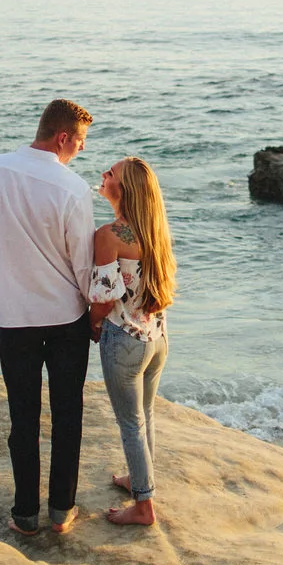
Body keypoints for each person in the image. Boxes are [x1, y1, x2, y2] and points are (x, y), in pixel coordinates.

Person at [0, 98, 94, 536]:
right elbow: (83, 266)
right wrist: (92, 314)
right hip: (65, 320)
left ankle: (24, 513)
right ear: (63, 138)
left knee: (22, 416)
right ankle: (61, 510)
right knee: (67, 413)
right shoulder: (72, 188)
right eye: (79, 143)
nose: (79, 151)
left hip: (14, 317)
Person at [88, 156, 176, 526]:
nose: (104, 175)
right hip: (157, 339)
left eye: (111, 173)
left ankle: (143, 508)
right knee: (145, 416)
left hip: (124, 340)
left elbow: (104, 296)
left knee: (130, 423)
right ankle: (141, 482)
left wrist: (91, 327)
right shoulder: (156, 232)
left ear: (122, 190)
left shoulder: (109, 236)